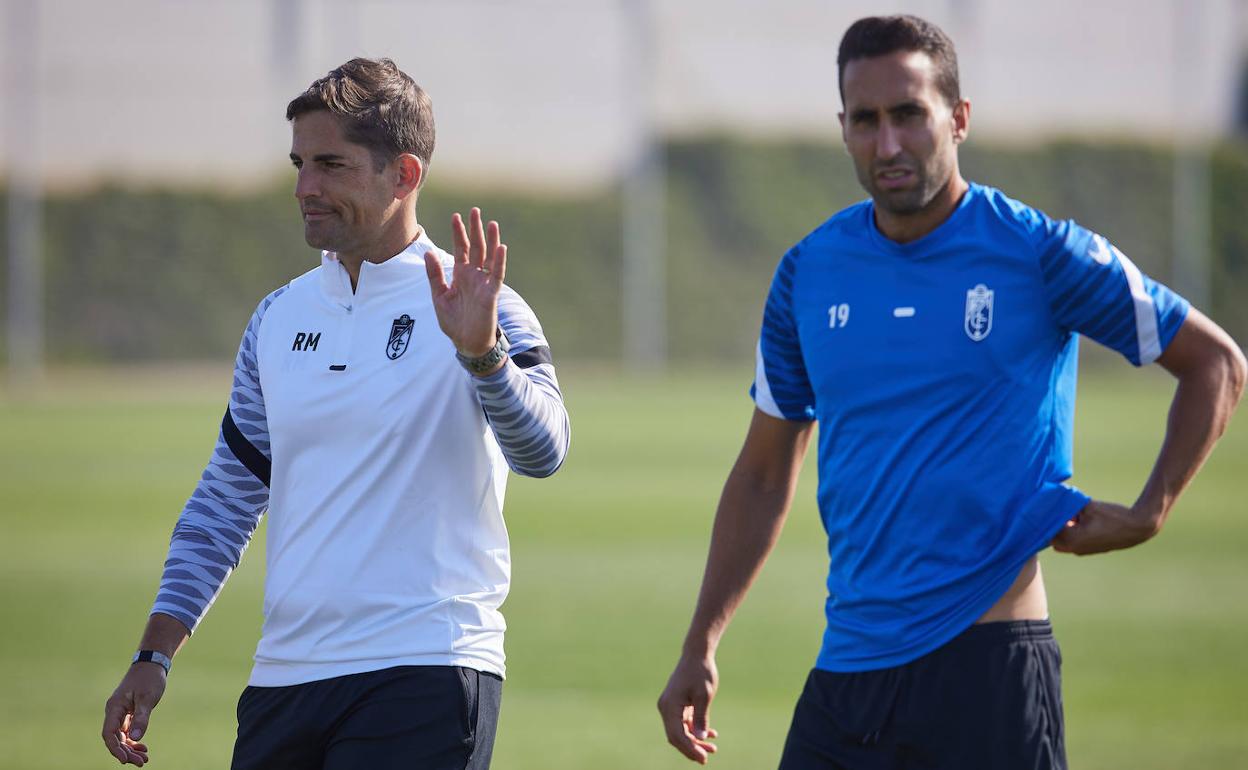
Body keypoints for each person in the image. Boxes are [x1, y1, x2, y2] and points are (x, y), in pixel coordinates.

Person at [657, 14, 1245, 770]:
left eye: (909, 114)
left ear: (958, 119)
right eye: (866, 120)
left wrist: (1151, 510)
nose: (888, 143)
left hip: (991, 668)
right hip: (850, 670)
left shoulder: (1037, 252)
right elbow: (766, 471)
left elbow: (1217, 365)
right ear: (843, 129)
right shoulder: (808, 273)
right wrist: (701, 640)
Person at [101, 58, 570, 770]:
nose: (304, 188)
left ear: (404, 175)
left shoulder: (483, 305)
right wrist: (153, 654)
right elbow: (227, 499)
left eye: (330, 165)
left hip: (427, 671)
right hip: (284, 680)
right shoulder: (278, 317)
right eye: (298, 164)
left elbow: (545, 451)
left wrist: (484, 357)